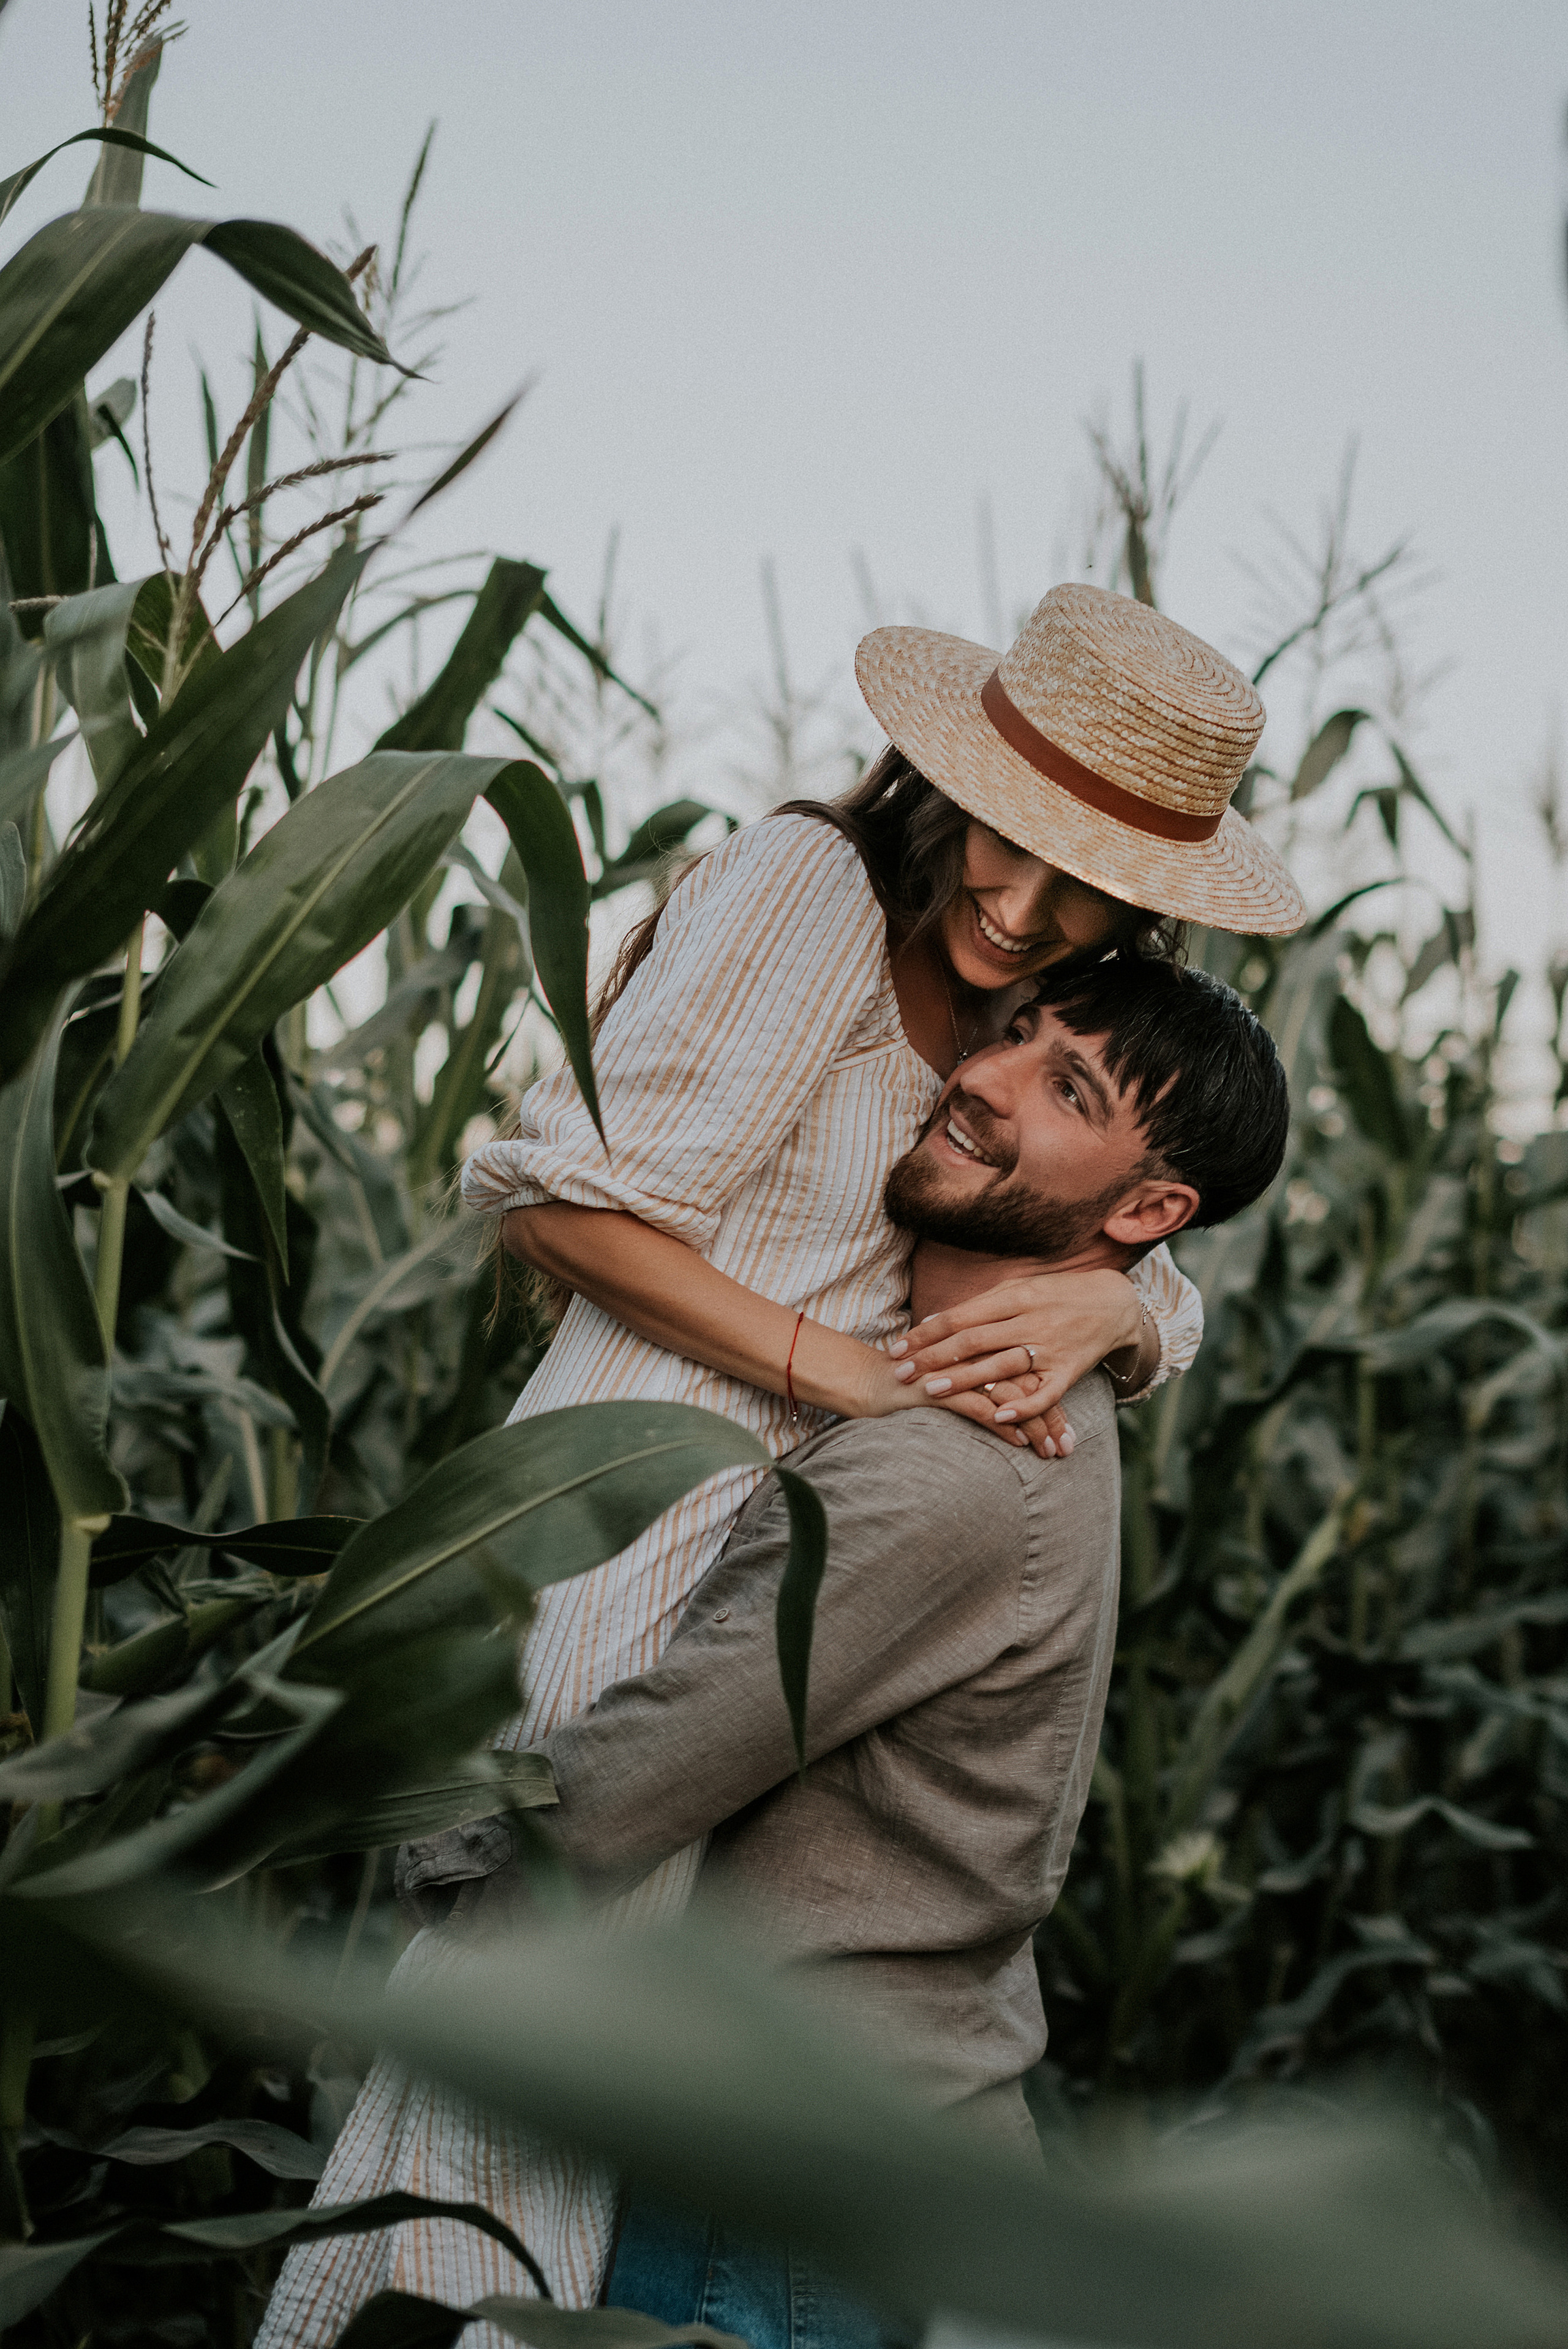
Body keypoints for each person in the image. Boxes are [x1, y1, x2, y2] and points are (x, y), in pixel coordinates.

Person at [255, 585, 1303, 2345]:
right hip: (639, 1500)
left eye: (1081, 887)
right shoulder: (809, 886)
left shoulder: (1049, 1000)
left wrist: (1112, 1324)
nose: (1022, 913)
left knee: (598, 2107)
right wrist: (852, 1378)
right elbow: (563, 1197)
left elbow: (1140, 1243)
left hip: (800, 1547)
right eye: (1005, 839)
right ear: (945, 771)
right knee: (520, 2072)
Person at [452, 955, 1293, 2349]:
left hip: (783, 2174)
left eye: (1063, 1086)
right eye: (1014, 1033)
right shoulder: (1002, 1396)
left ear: (1148, 1214)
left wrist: (373, 1836)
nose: (979, 1077)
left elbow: (633, 1780)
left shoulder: (946, 1467)